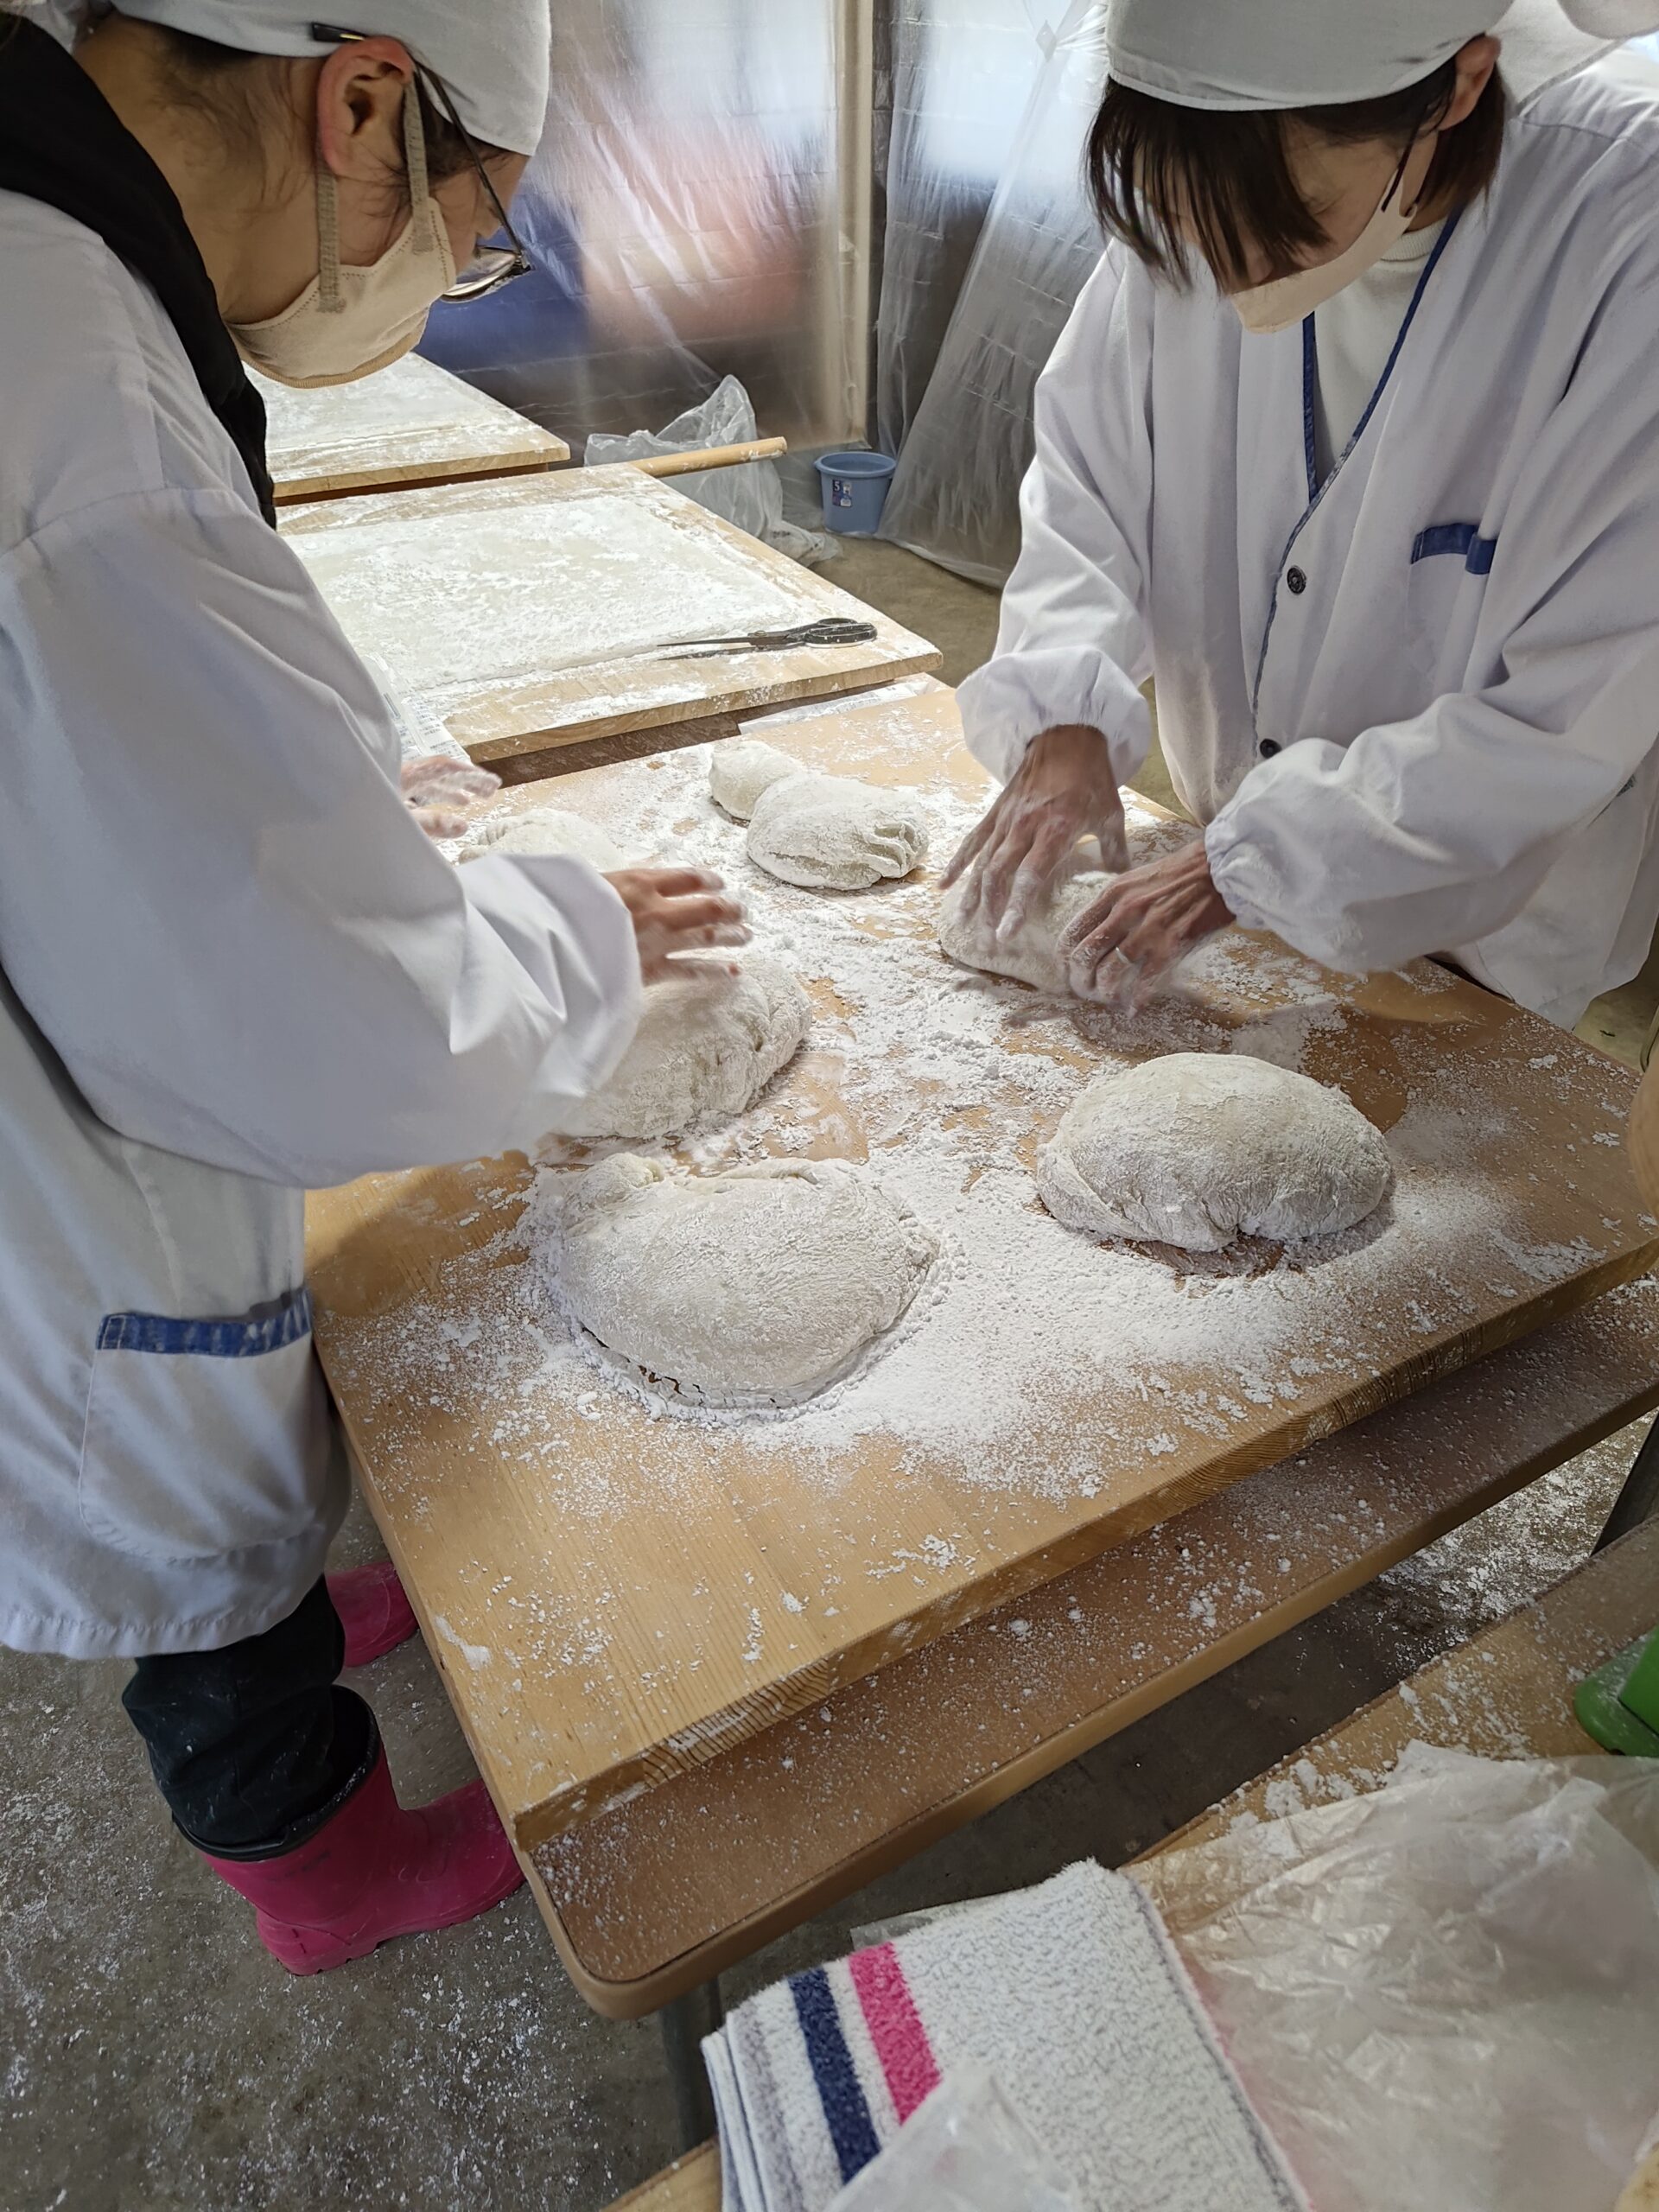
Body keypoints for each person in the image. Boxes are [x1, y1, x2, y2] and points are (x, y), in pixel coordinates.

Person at [0, 0, 748, 1974]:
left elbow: (169, 703)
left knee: (212, 1498)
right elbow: (329, 1027)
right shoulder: (74, 399)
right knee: (170, 1507)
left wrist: (345, 763)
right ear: (360, 101)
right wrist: (575, 933)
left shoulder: (59, 267)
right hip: (63, 1182)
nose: (449, 275)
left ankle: (267, 1613)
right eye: (472, 234)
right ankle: (317, 1868)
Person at [947, 0, 1659, 1032]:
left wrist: (1260, 861)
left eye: (1285, 221)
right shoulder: (1204, 159)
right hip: (1225, 872)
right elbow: (1090, 483)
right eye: (1189, 221)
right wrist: (1062, 712)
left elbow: (1578, 703)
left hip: (1490, 931)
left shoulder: (1624, 228)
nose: (1228, 271)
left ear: (1457, 90)